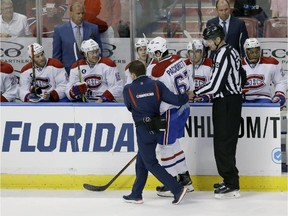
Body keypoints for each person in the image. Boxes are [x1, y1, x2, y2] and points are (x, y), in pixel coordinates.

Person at [122, 60, 192, 205]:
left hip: (143, 130)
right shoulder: (156, 84)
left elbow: (129, 107)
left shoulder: (128, 88)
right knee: (142, 162)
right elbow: (175, 100)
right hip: (157, 126)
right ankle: (136, 194)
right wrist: (187, 95)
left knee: (151, 163)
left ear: (133, 74)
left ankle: (177, 189)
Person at [191, 24, 243, 199]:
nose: (207, 44)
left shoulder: (225, 53)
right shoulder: (225, 52)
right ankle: (229, 179)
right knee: (223, 143)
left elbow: (215, 84)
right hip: (226, 102)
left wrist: (195, 92)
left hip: (228, 102)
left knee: (224, 143)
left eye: (209, 40)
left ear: (218, 39)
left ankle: (232, 184)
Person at [146, 37, 194, 197]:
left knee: (165, 146)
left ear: (159, 52)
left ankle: (170, 182)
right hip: (184, 108)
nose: (152, 57)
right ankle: (185, 178)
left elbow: (157, 94)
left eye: (153, 54)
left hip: (169, 111)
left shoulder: (157, 70)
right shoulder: (178, 59)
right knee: (173, 144)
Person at [53, 2, 103, 74]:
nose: (81, 16)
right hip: (68, 71)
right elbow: (56, 56)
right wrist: (59, 73)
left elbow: (99, 51)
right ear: (71, 14)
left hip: (91, 71)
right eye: (78, 13)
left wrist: (99, 69)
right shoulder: (60, 30)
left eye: (83, 13)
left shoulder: (93, 28)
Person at [242, 38, 286, 110]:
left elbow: (281, 81)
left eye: (257, 51)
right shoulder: (237, 64)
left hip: (264, 98)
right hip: (243, 98)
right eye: (251, 52)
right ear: (246, 52)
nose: (255, 55)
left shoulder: (272, 63)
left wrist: (279, 94)